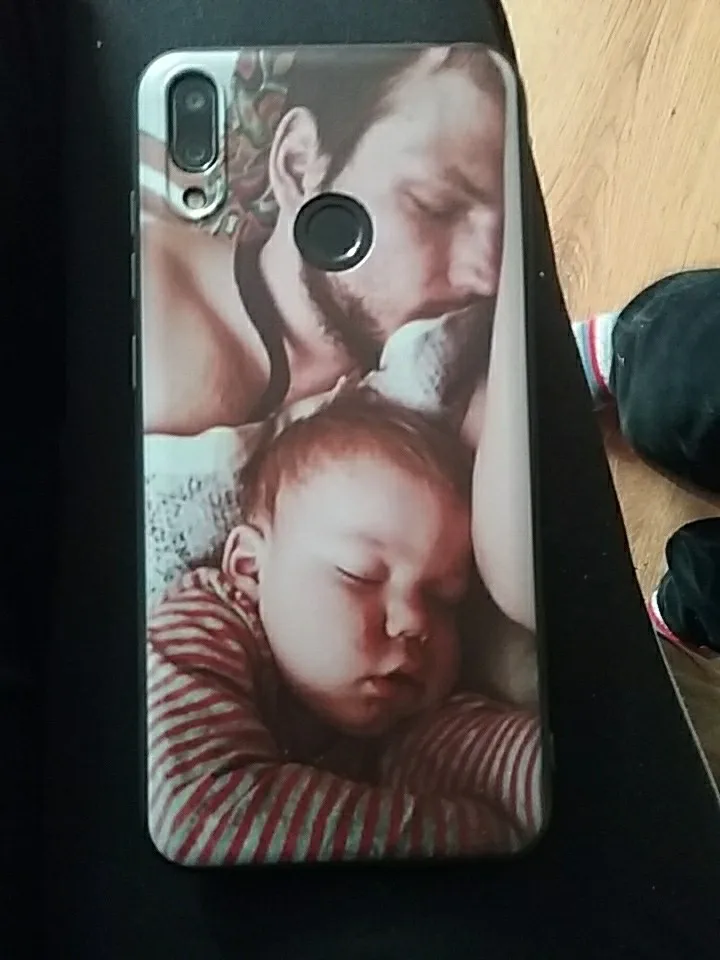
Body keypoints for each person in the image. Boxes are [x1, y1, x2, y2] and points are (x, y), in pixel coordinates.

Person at [147, 392, 542, 865]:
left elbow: (518, 766)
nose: (416, 621)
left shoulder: (410, 721)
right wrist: (486, 837)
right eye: (361, 575)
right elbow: (198, 816)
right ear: (250, 568)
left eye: (444, 599)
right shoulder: (200, 628)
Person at [139, 44, 506, 435]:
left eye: (504, 231)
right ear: (298, 166)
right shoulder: (147, 295)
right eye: (435, 206)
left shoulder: (474, 364)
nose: (488, 278)